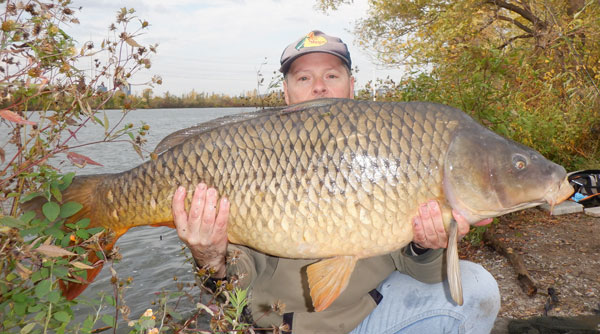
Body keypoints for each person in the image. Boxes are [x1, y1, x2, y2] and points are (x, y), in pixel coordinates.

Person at [172, 30, 500, 333]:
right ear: (286, 92)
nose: (319, 87)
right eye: (304, 77)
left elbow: (425, 275)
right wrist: (209, 256)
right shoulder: (252, 155)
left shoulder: (389, 145)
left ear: (351, 85)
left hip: (366, 318)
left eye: (331, 75)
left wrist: (424, 246)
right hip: (281, 327)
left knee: (476, 288)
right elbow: (231, 291)